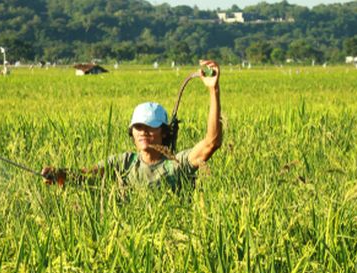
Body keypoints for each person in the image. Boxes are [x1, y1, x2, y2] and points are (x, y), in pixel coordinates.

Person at [42, 59, 222, 191]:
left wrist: (213, 90)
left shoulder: (176, 164)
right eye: (138, 127)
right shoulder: (124, 163)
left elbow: (211, 143)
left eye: (150, 126)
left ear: (164, 132)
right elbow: (86, 174)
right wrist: (59, 173)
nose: (143, 132)